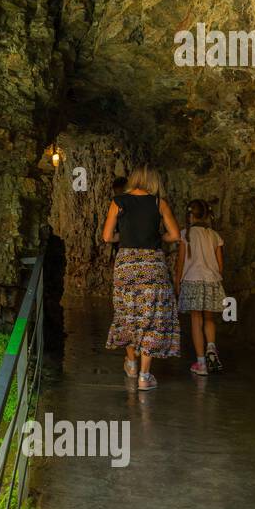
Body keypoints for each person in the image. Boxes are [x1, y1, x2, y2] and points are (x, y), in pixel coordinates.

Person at [101, 165, 181, 390]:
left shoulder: (119, 201)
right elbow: (175, 235)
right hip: (152, 264)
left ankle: (131, 364)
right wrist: (158, 236)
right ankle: (145, 376)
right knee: (151, 316)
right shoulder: (159, 203)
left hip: (126, 263)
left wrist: (124, 236)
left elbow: (107, 237)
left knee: (128, 312)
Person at [174, 199, 225, 375]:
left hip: (192, 280)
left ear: (189, 215)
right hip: (211, 281)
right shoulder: (214, 235)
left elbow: (180, 263)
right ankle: (211, 347)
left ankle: (201, 363)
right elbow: (220, 265)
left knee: (197, 321)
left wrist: (177, 282)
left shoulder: (185, 234)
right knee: (209, 319)